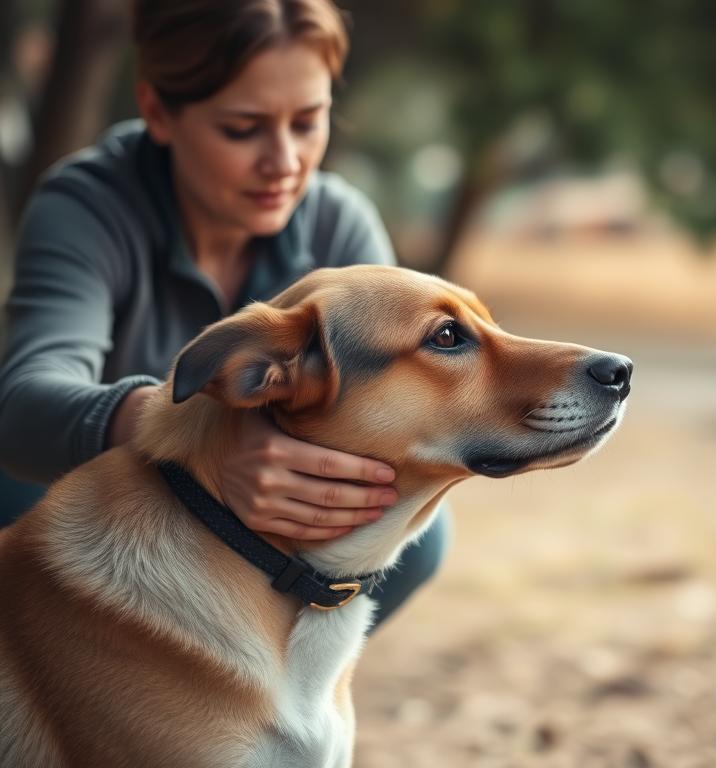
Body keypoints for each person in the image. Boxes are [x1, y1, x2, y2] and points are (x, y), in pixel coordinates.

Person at [0, 0, 448, 626]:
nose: (286, 161)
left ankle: (267, 695)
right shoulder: (85, 207)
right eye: (244, 128)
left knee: (422, 532)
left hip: (254, 539)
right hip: (84, 503)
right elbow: (23, 406)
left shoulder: (339, 224)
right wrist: (201, 440)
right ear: (157, 110)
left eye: (309, 121)